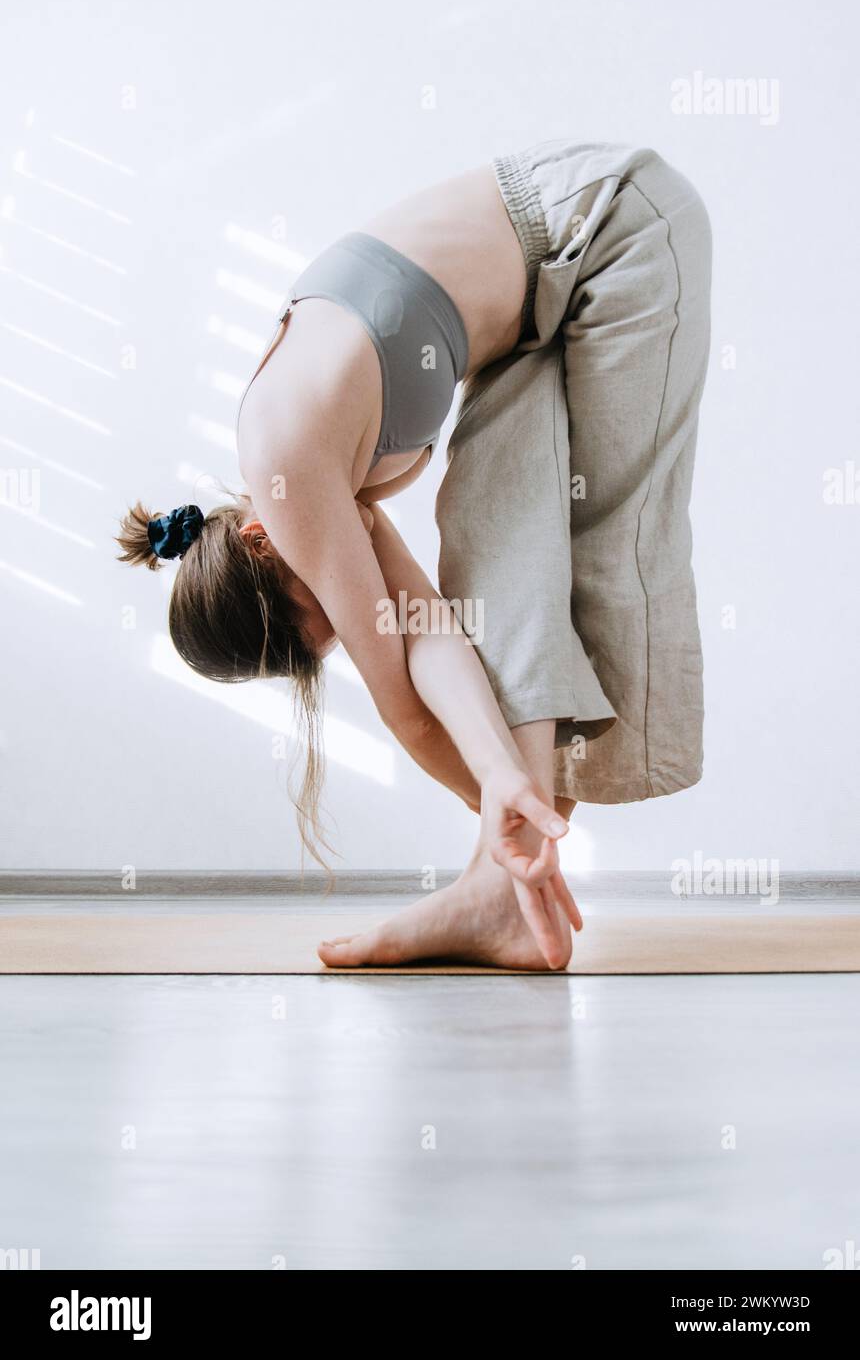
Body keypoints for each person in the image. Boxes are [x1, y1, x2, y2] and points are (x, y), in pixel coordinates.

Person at [117, 140, 712, 970]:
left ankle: (499, 886)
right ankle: (500, 893)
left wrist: (509, 802)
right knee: (493, 554)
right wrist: (505, 784)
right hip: (534, 320)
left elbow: (406, 709)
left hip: (608, 227)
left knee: (603, 543)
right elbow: (426, 630)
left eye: (324, 609)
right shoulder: (317, 487)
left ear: (258, 541)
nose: (349, 614)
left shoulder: (289, 460)